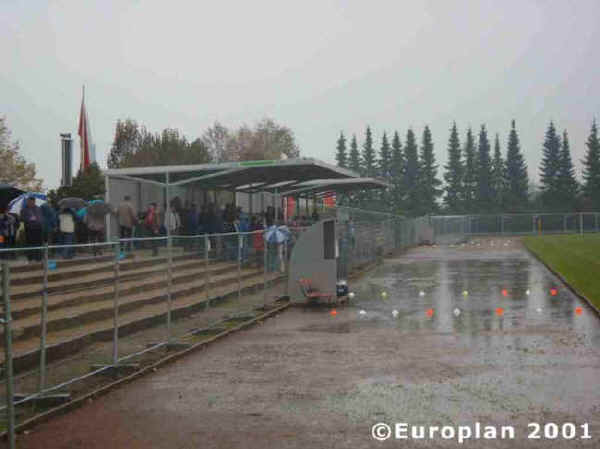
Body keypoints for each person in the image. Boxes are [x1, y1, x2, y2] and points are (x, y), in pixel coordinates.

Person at [20, 196, 44, 262]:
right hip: (29, 229)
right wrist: (29, 219)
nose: (29, 203)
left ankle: (38, 258)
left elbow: (41, 218)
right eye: (28, 201)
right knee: (30, 244)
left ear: (34, 201)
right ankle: (30, 258)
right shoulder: (24, 209)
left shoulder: (38, 208)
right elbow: (21, 219)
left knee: (38, 244)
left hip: (38, 228)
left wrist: (39, 221)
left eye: (31, 201)